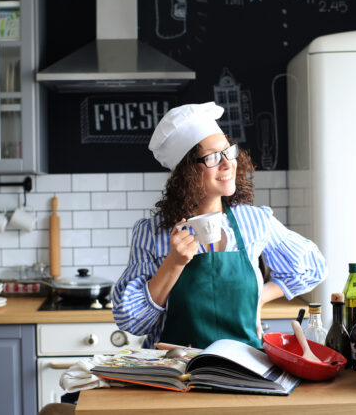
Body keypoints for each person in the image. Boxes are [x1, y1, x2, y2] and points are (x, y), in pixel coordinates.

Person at [112, 102, 327, 349]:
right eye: (213, 157)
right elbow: (131, 321)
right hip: (174, 375)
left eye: (228, 151)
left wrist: (258, 299)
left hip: (243, 369)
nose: (227, 164)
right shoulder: (152, 233)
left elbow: (312, 267)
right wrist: (174, 262)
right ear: (187, 171)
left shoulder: (253, 221)